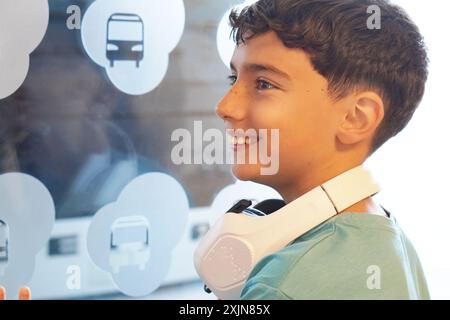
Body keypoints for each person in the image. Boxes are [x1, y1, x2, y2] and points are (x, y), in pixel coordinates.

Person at [216, 0, 429, 299]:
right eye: (233, 78)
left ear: (355, 117)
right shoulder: (387, 238)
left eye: (263, 84)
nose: (225, 106)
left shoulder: (286, 284)